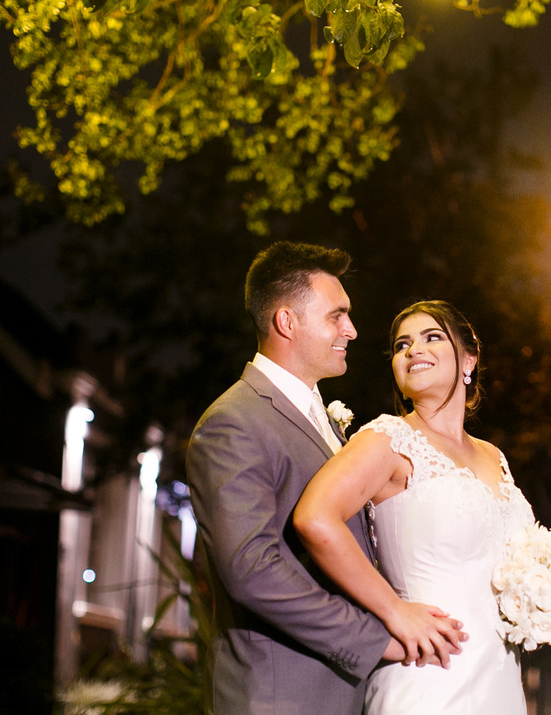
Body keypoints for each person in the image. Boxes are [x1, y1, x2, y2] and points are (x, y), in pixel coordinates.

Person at [186, 243, 466, 715]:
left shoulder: (325, 421)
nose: (351, 330)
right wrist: (376, 638)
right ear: (286, 322)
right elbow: (251, 570)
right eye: (337, 316)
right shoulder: (234, 422)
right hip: (282, 696)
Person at [295, 299, 537, 714]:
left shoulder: (494, 456)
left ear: (469, 360)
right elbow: (314, 518)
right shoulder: (387, 438)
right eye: (402, 345)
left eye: (432, 337)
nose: (413, 350)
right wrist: (393, 611)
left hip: (500, 680)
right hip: (430, 675)